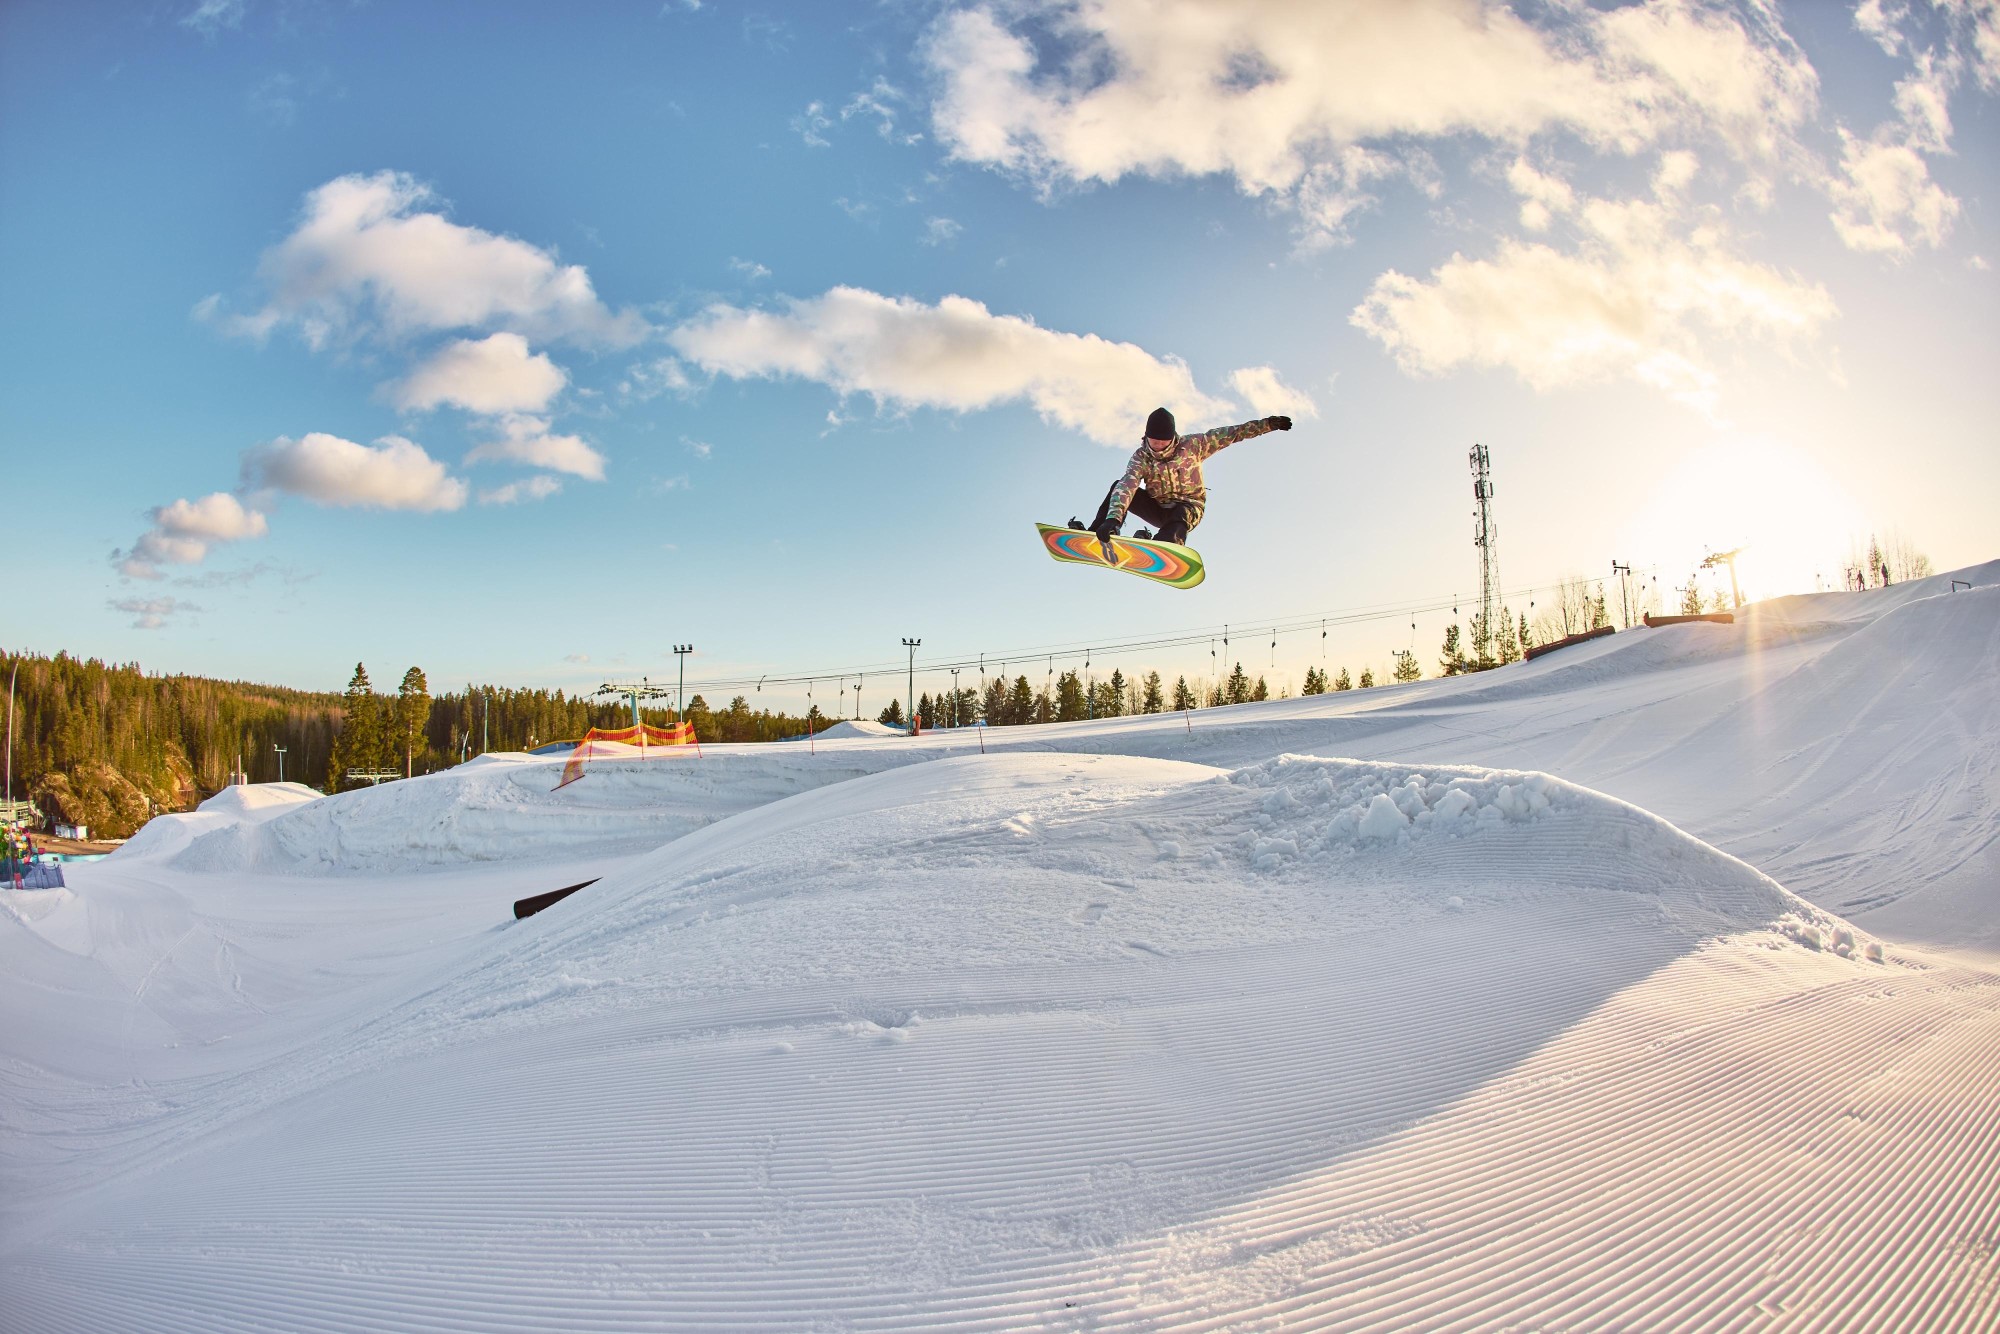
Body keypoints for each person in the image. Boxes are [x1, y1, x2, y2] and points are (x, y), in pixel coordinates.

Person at [1073, 407, 1292, 556]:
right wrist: (1113, 518)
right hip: (1158, 508)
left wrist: (1268, 424)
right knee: (1117, 486)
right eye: (1154, 441)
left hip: (1188, 507)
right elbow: (1128, 485)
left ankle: (1167, 543)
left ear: (1173, 437)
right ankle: (1100, 530)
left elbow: (1234, 433)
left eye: (1164, 441)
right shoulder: (1141, 457)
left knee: (1182, 511)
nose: (1158, 445)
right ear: (1146, 436)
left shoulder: (1194, 444)